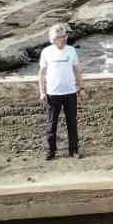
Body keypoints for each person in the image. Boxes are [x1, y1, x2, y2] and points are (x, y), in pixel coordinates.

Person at [37, 23, 84, 160]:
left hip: (70, 92)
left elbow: (77, 70)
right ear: (53, 39)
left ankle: (73, 150)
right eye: (60, 37)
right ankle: (51, 151)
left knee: (72, 123)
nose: (63, 39)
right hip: (53, 94)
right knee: (52, 123)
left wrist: (81, 88)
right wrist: (42, 91)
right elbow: (41, 73)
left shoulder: (71, 51)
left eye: (64, 36)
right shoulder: (46, 52)